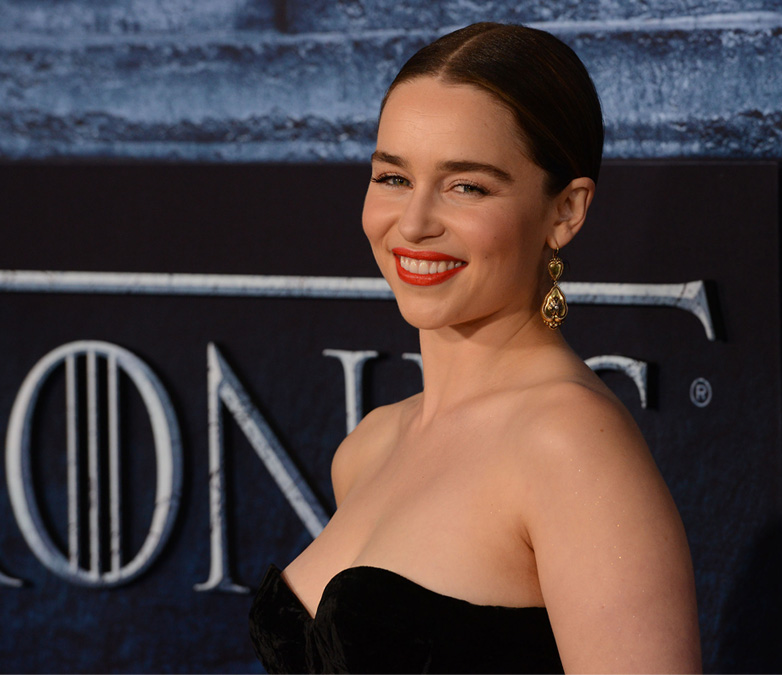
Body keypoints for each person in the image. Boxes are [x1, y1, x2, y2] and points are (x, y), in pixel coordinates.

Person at [250, 22, 700, 674]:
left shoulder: (570, 444)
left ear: (565, 211)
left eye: (467, 186)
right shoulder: (370, 446)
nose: (414, 223)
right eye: (393, 177)